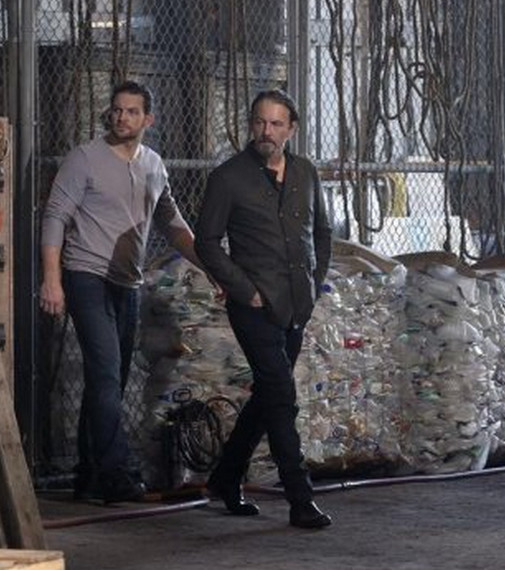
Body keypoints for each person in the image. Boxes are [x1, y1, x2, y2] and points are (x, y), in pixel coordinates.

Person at [40, 80, 202, 503]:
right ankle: (117, 474)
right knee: (107, 374)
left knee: (108, 380)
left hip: (127, 282)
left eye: (132, 111)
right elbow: (55, 216)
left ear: (148, 119)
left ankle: (88, 474)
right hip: (85, 275)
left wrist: (212, 268)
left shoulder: (153, 165)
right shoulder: (84, 159)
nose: (121, 117)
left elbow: (173, 224)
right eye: (116, 110)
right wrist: (52, 279)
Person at [194, 89, 333, 529]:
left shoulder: (305, 173)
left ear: (291, 129)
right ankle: (300, 499)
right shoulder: (228, 178)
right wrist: (244, 290)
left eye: (275, 124)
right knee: (282, 397)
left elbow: (322, 232)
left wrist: (312, 284)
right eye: (259, 122)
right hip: (254, 307)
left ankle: (225, 477)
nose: (265, 131)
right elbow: (206, 242)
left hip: (295, 305)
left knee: (269, 396)